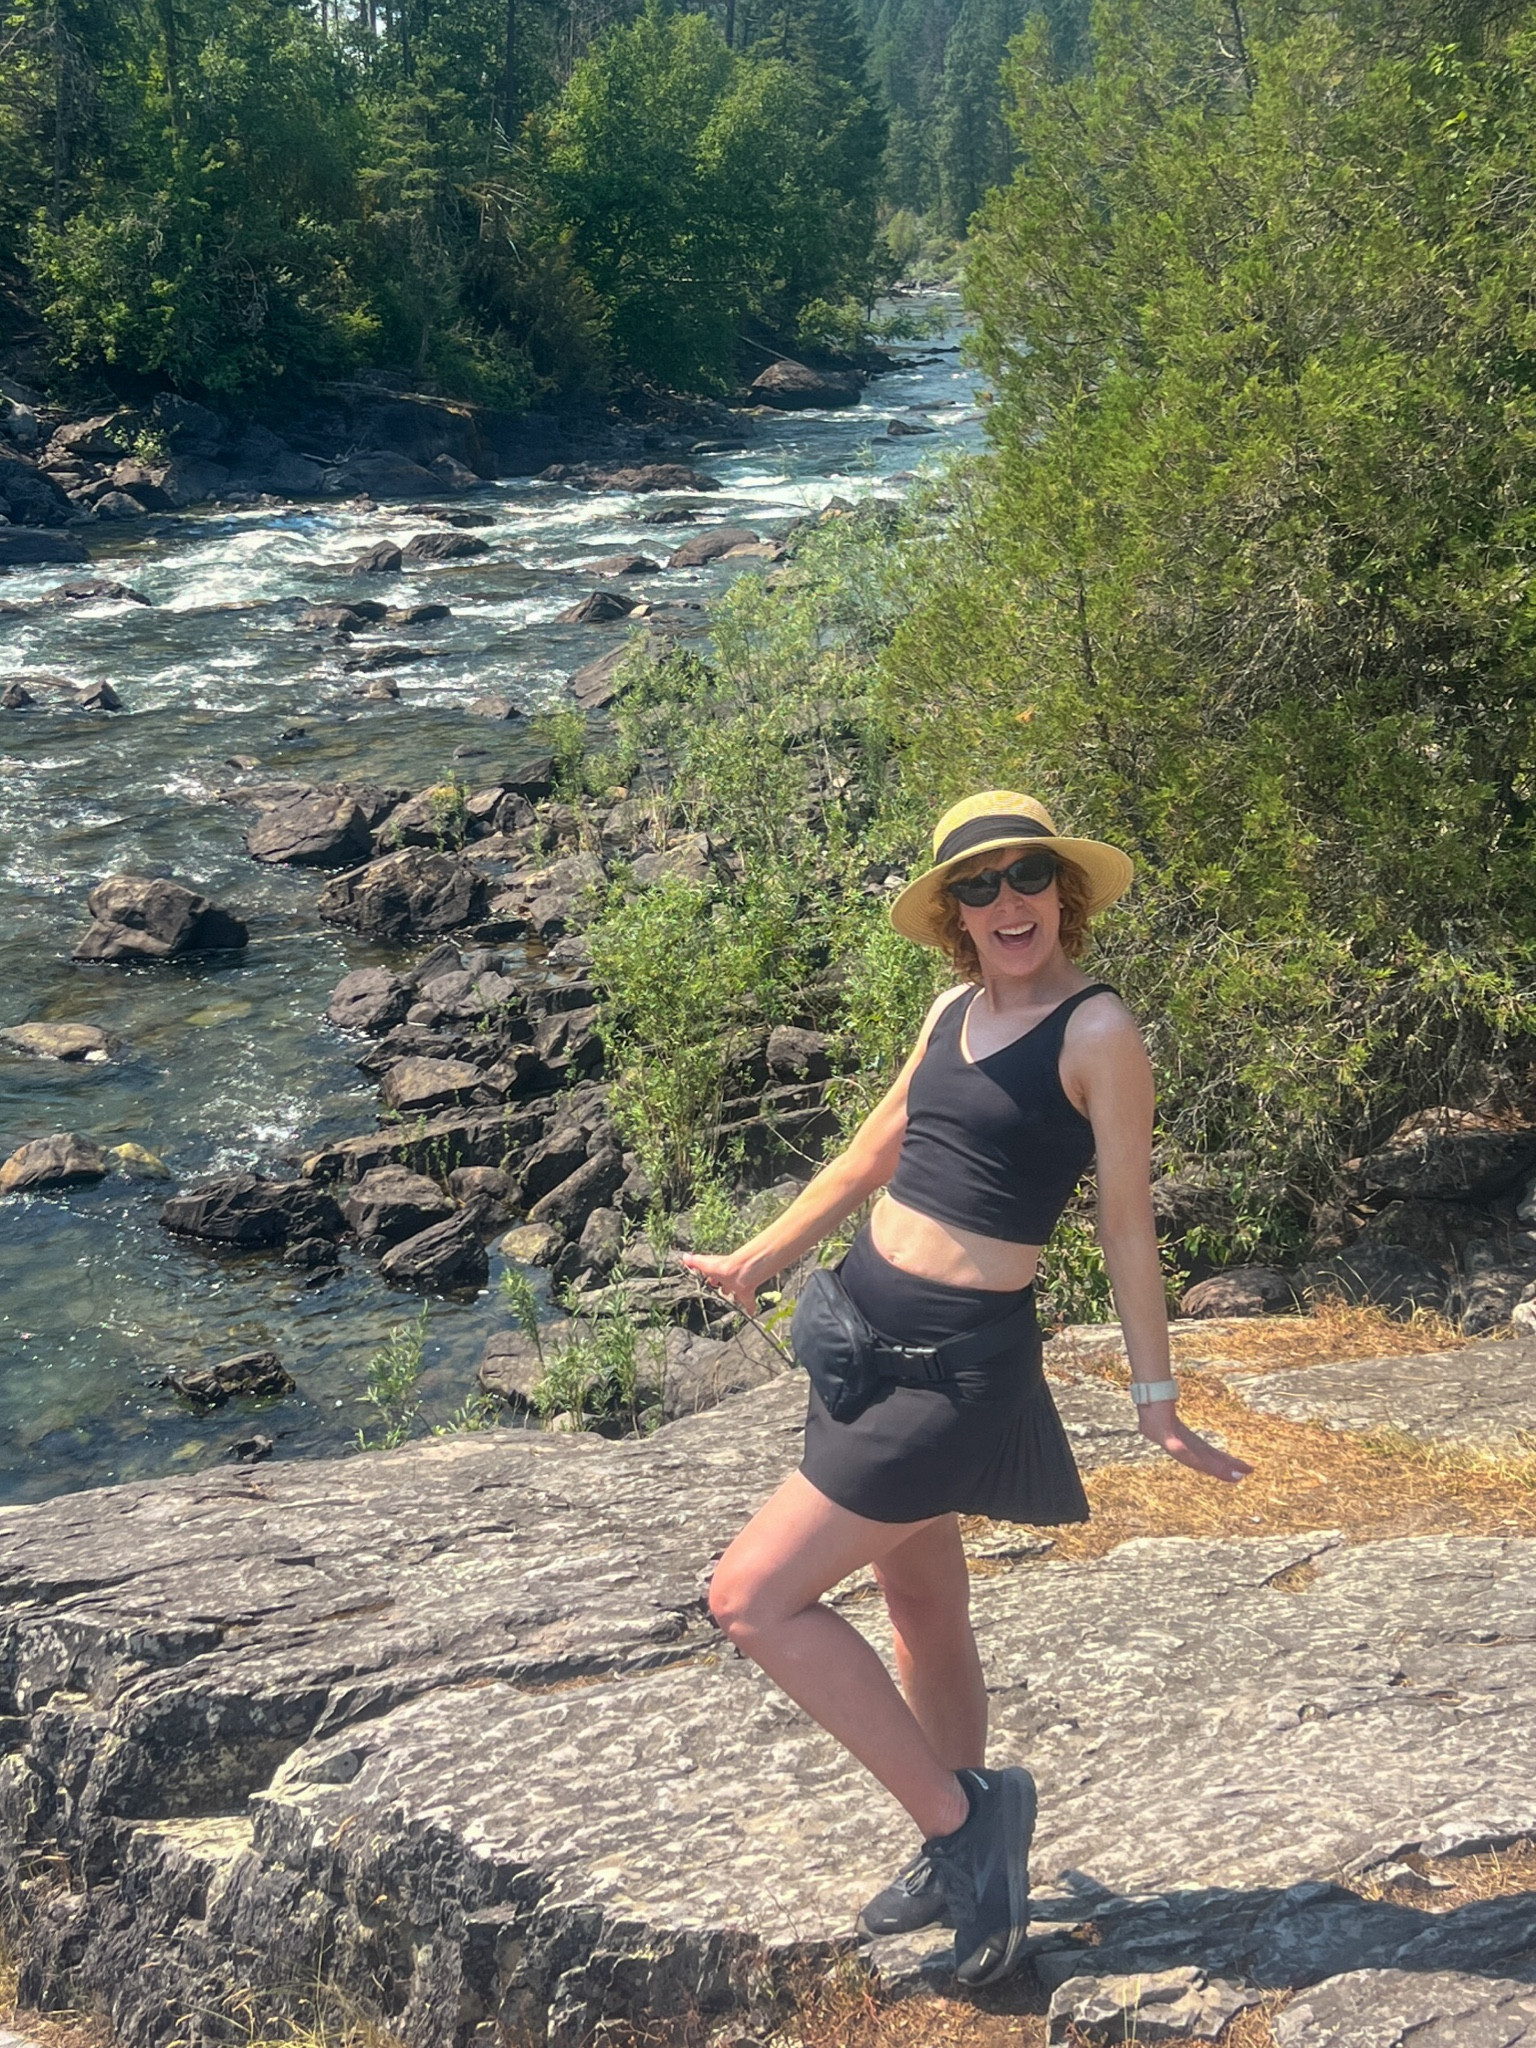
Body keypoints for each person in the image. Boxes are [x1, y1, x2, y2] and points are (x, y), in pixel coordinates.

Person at [679, 790, 1252, 1986]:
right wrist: (760, 1255)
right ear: (953, 914)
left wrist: (1156, 1396)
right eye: (979, 886)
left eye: (1027, 876)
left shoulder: (1098, 1034)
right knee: (923, 1609)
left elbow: (1128, 1223)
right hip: (860, 1334)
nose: (1008, 903)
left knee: (751, 1597)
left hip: (955, 1371)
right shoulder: (951, 1011)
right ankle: (951, 1846)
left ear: (1064, 891)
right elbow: (867, 1154)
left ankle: (967, 1824)